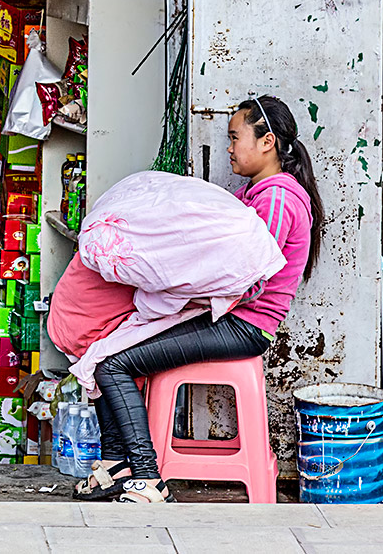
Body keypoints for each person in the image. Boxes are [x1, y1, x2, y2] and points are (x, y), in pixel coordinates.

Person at [73, 94, 323, 503]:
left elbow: (251, 281)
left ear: (267, 141)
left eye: (235, 137)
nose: (229, 147)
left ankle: (148, 478)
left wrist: (182, 289)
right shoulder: (256, 193)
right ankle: (117, 466)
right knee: (105, 344)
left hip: (245, 325)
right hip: (225, 318)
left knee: (113, 362)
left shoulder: (277, 198)